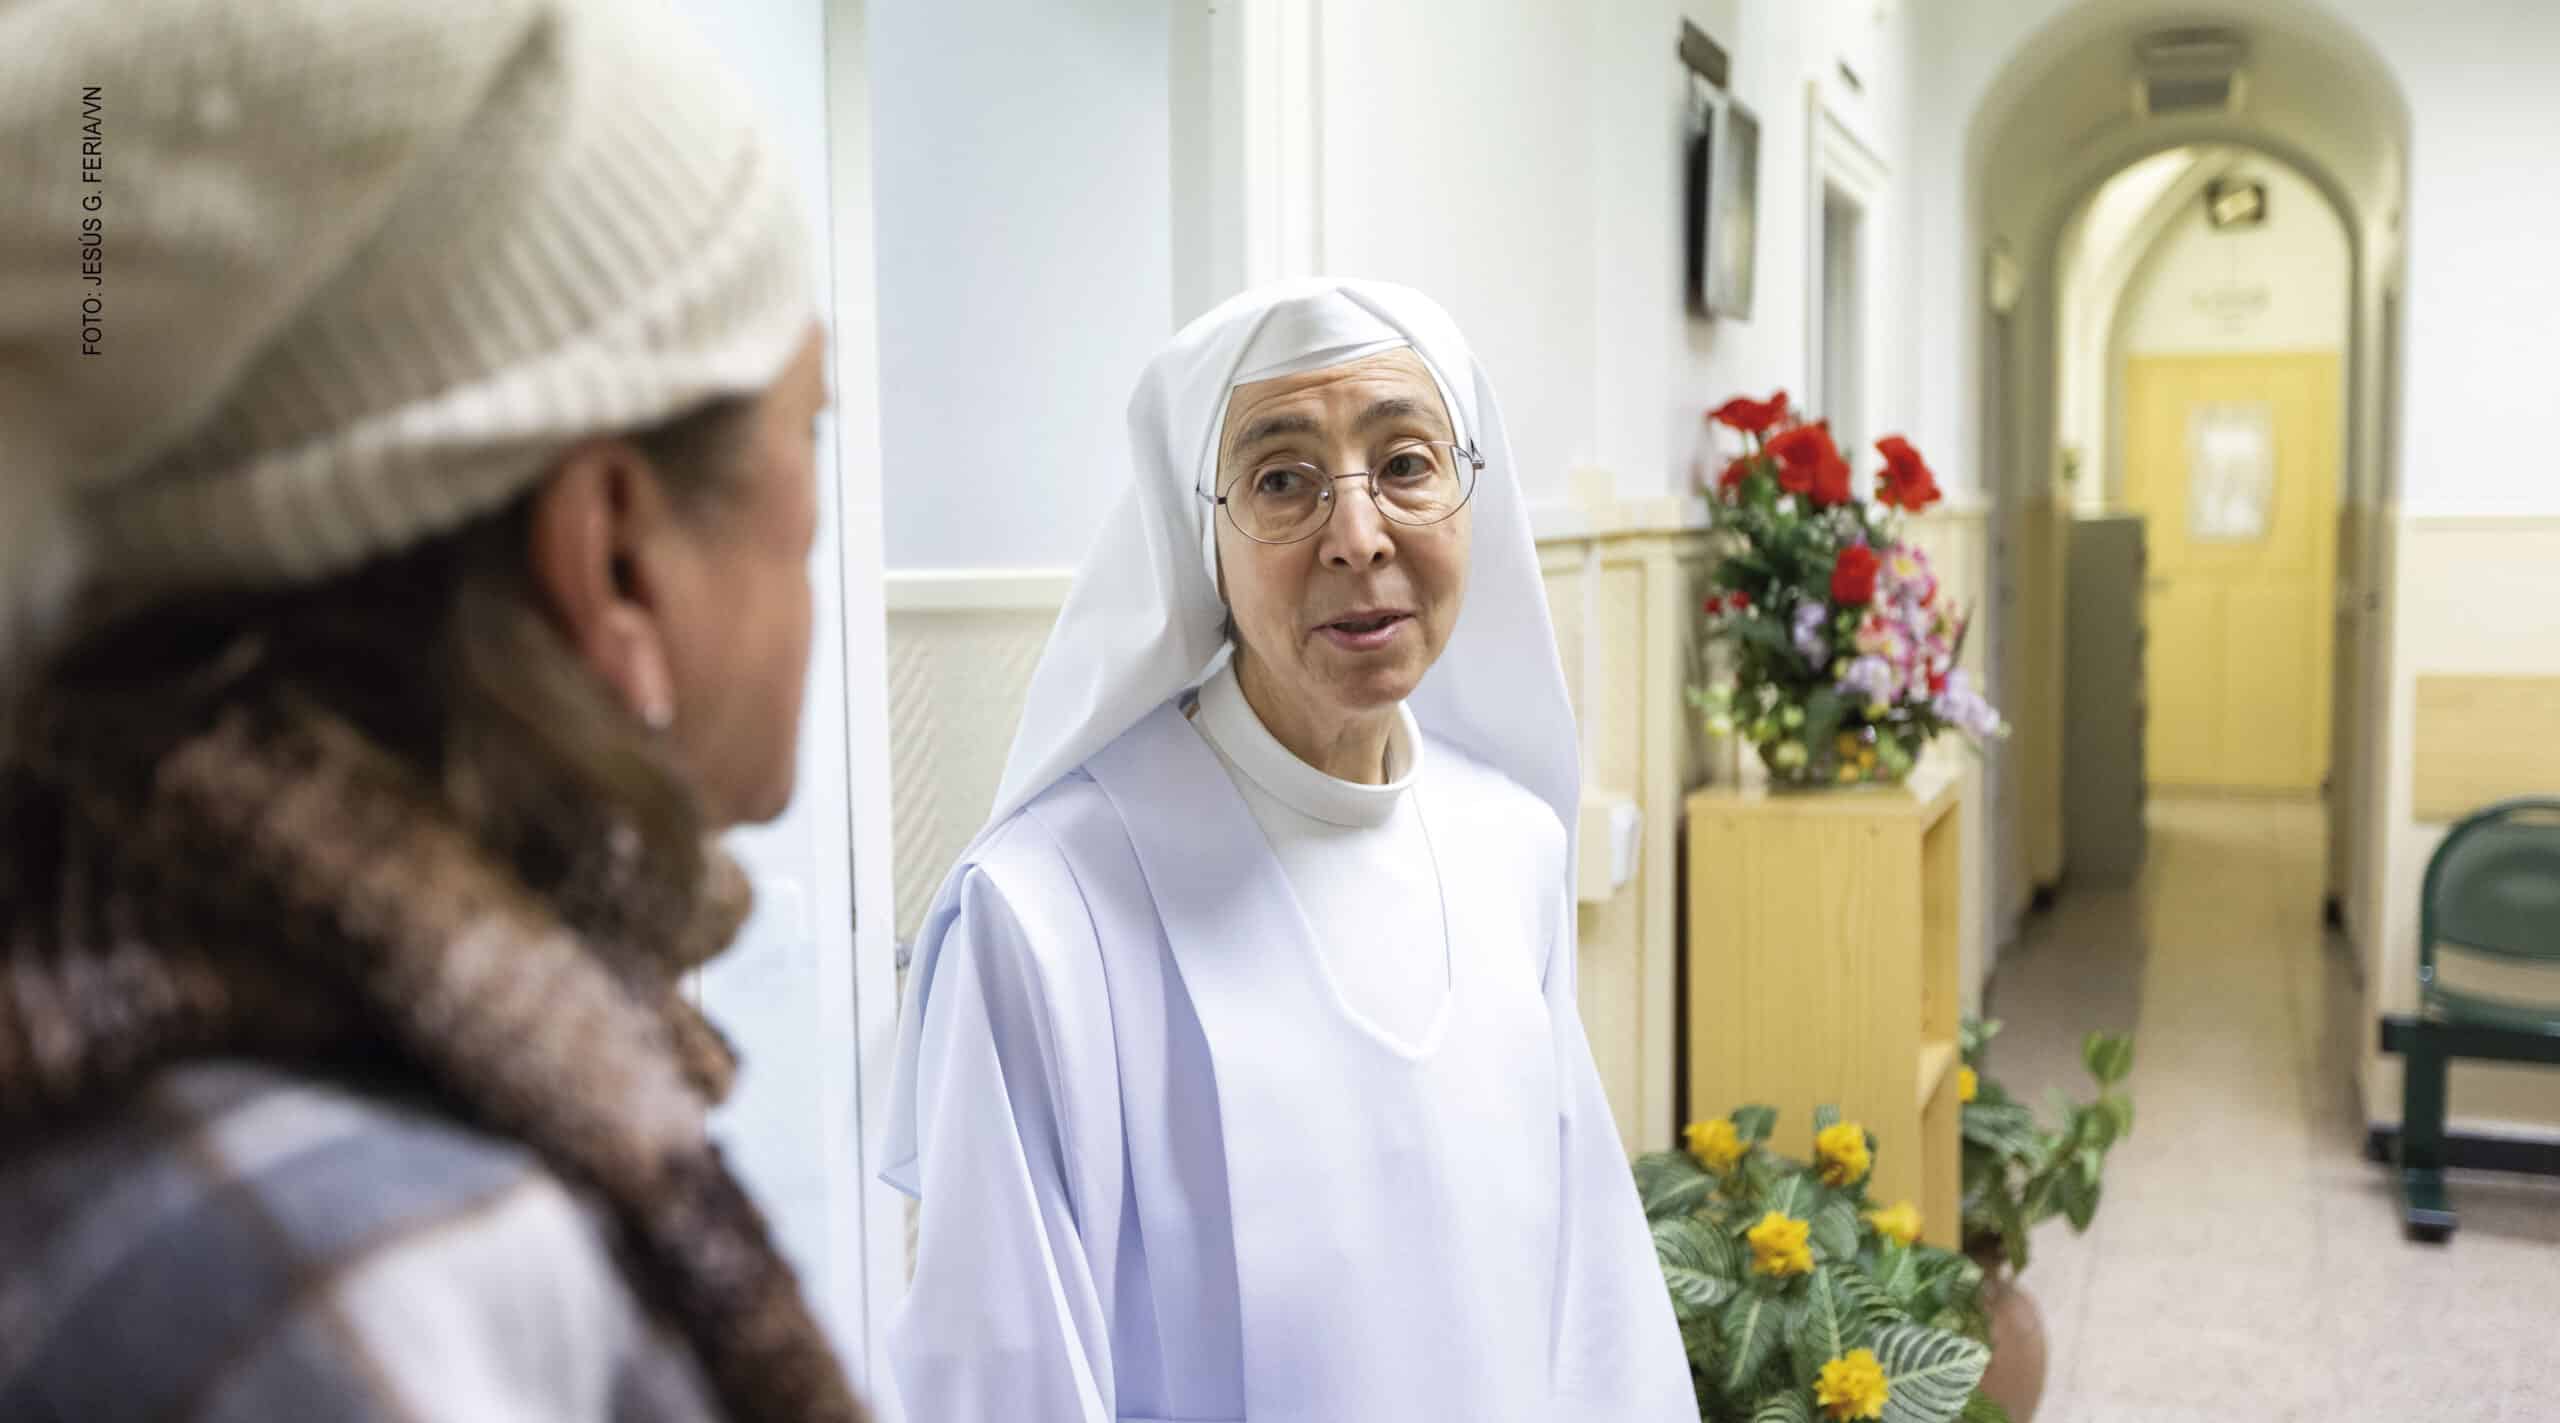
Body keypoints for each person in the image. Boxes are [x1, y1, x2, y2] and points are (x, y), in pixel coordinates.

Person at [0, 1, 866, 1419]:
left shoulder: (119, 1066)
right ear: (618, 557)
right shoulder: (375, 1295)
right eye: (808, 430)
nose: (816, 506)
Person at [883, 279, 1693, 1420]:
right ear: (1197, 537)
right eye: (1281, 481)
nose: (1357, 538)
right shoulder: (1046, 917)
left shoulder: (1511, 844)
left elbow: (1590, 1316)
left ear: (1471, 496)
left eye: (1406, 462)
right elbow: (1004, 1377)